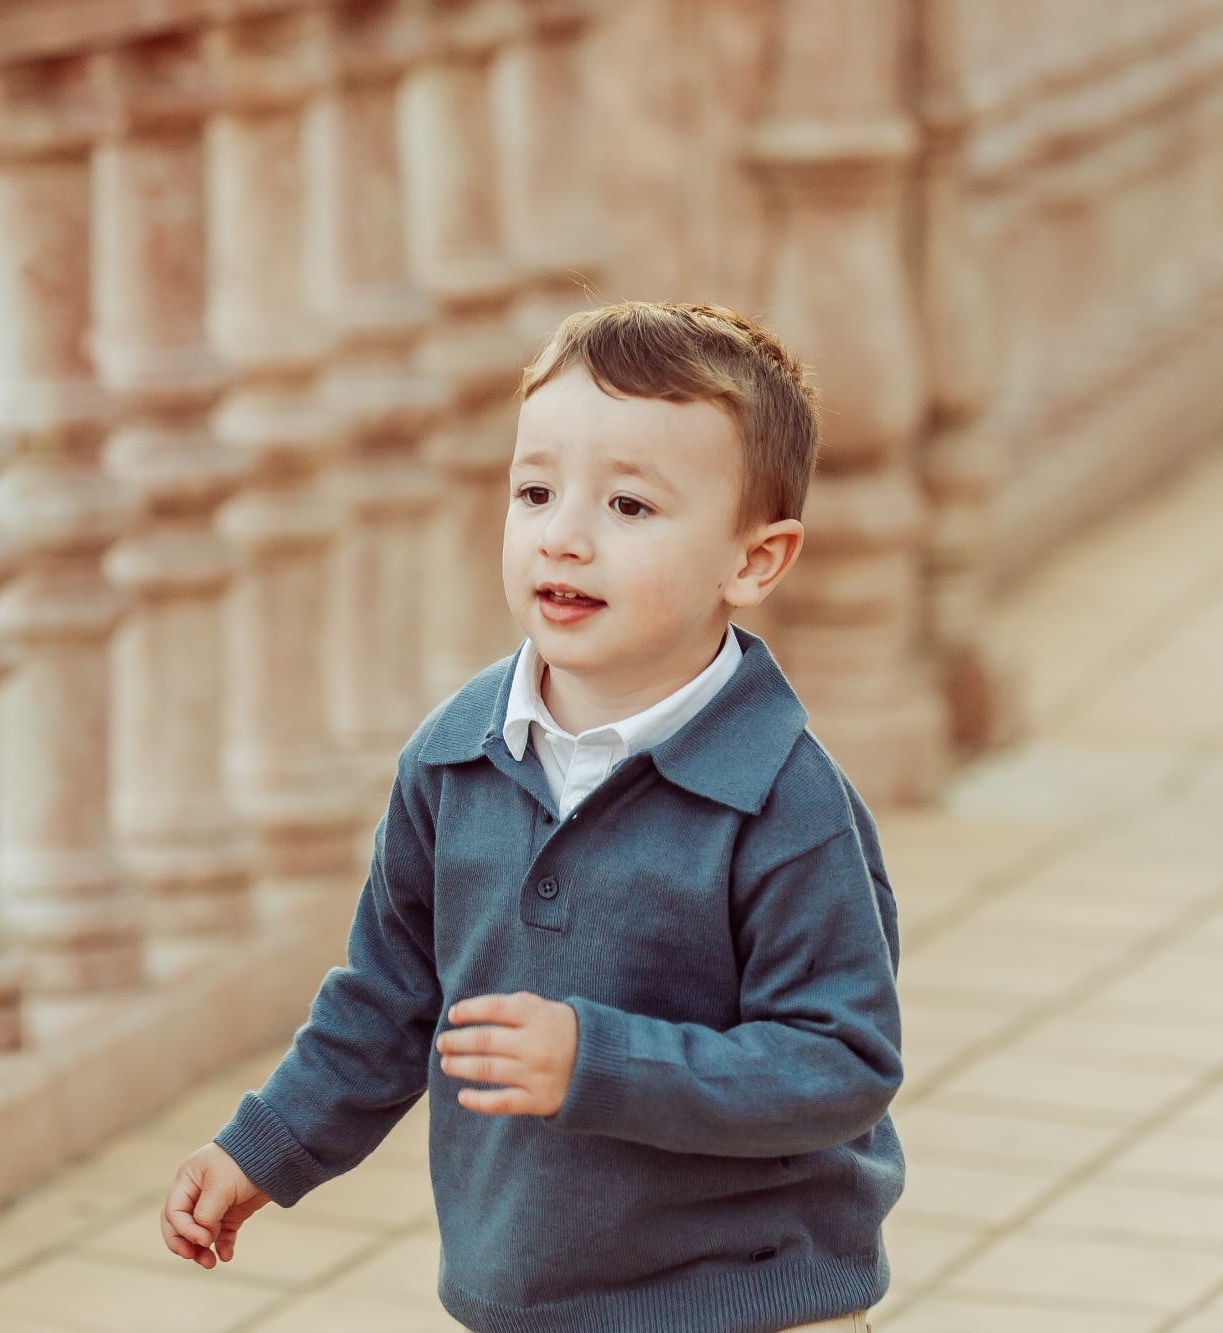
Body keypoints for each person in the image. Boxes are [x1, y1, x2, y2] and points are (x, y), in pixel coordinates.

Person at [159, 301, 903, 1333]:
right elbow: (388, 998)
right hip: (524, 1300)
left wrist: (597, 1062)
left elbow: (839, 1063)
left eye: (629, 505)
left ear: (753, 561)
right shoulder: (452, 757)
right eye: (535, 490)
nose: (562, 536)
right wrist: (264, 1148)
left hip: (748, 1301)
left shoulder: (784, 802)